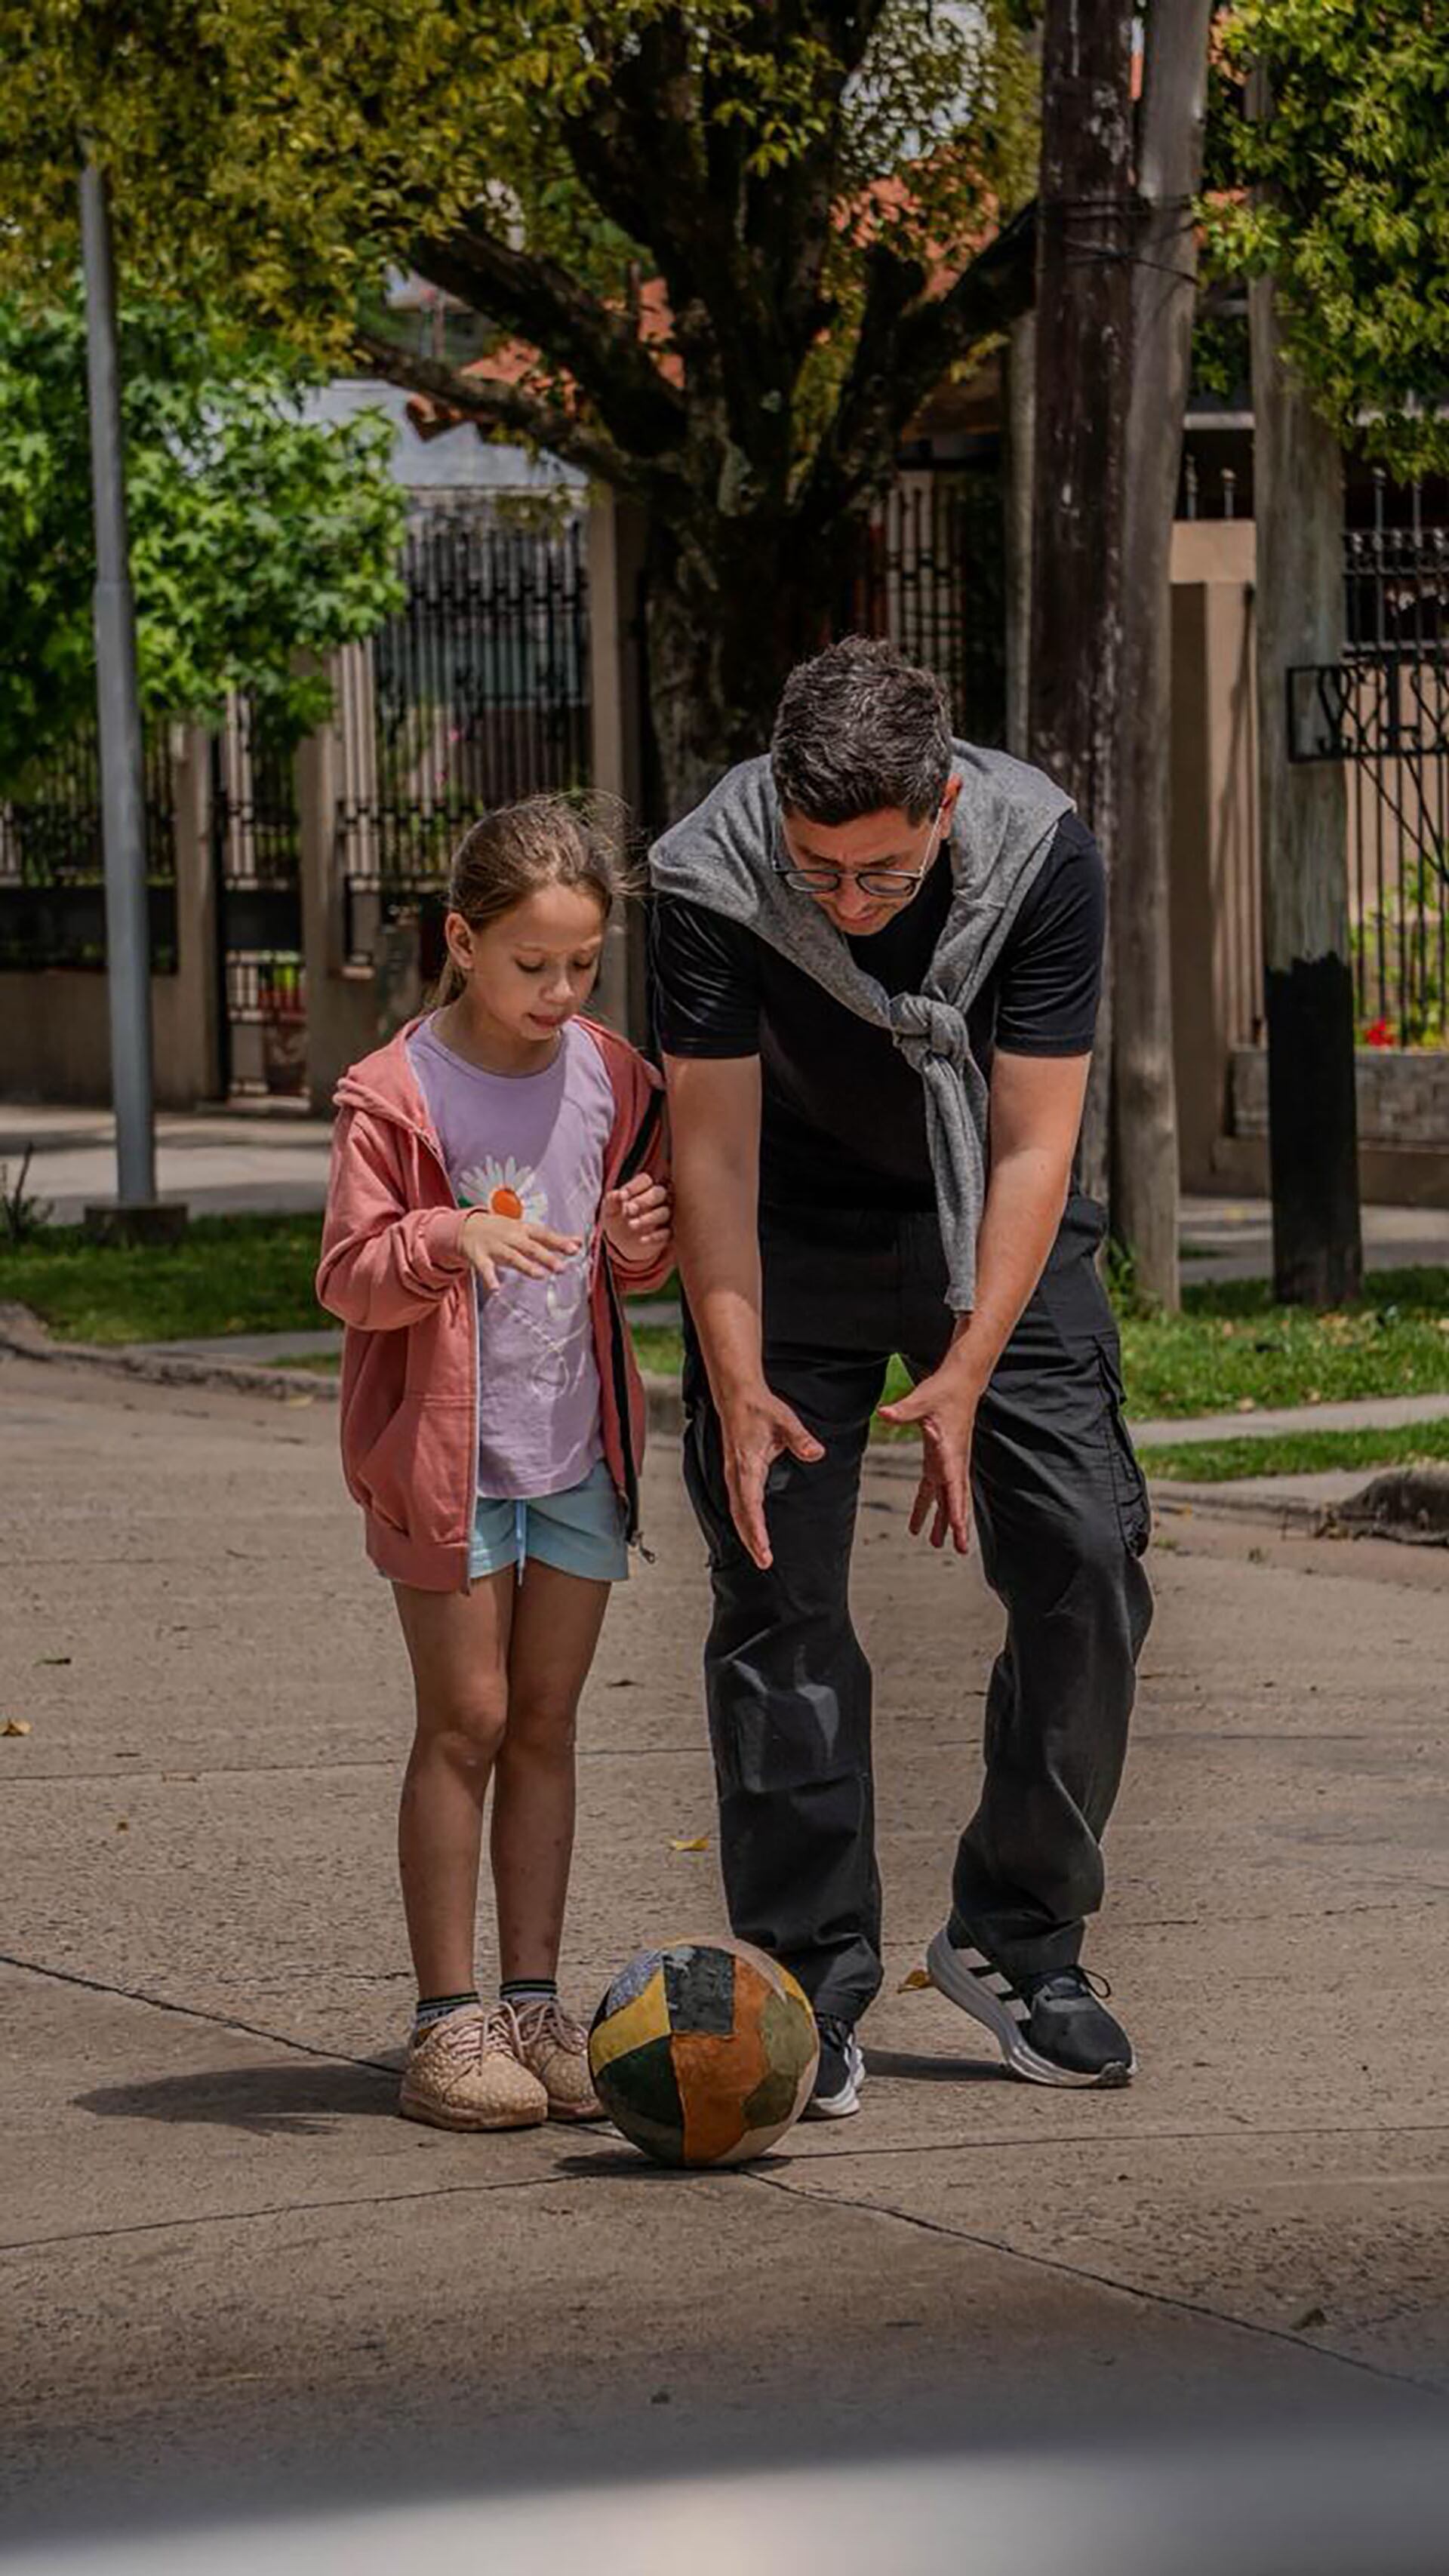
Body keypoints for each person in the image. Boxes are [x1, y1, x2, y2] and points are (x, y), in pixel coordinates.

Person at [650, 637, 1152, 2120]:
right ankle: (809, 1980)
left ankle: (1017, 1938)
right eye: (820, 872)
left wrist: (965, 1370)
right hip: (786, 1233)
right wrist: (737, 1384)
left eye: (878, 874)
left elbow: (1034, 1148)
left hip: (983, 1217)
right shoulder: (708, 873)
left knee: (1083, 1555)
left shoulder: (1042, 854)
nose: (848, 905)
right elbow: (716, 1153)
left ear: (941, 804)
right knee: (776, 1584)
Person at [318, 798, 672, 2133]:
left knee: (545, 1723)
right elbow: (349, 1277)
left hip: (575, 1452)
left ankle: (535, 2003)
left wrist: (643, 1233)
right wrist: (447, 1235)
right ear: (462, 941)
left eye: (582, 964)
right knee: (463, 1722)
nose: (561, 991)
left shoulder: (613, 1075)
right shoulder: (395, 1092)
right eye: (533, 964)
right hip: (448, 1464)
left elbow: (629, 1257)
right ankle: (442, 2022)